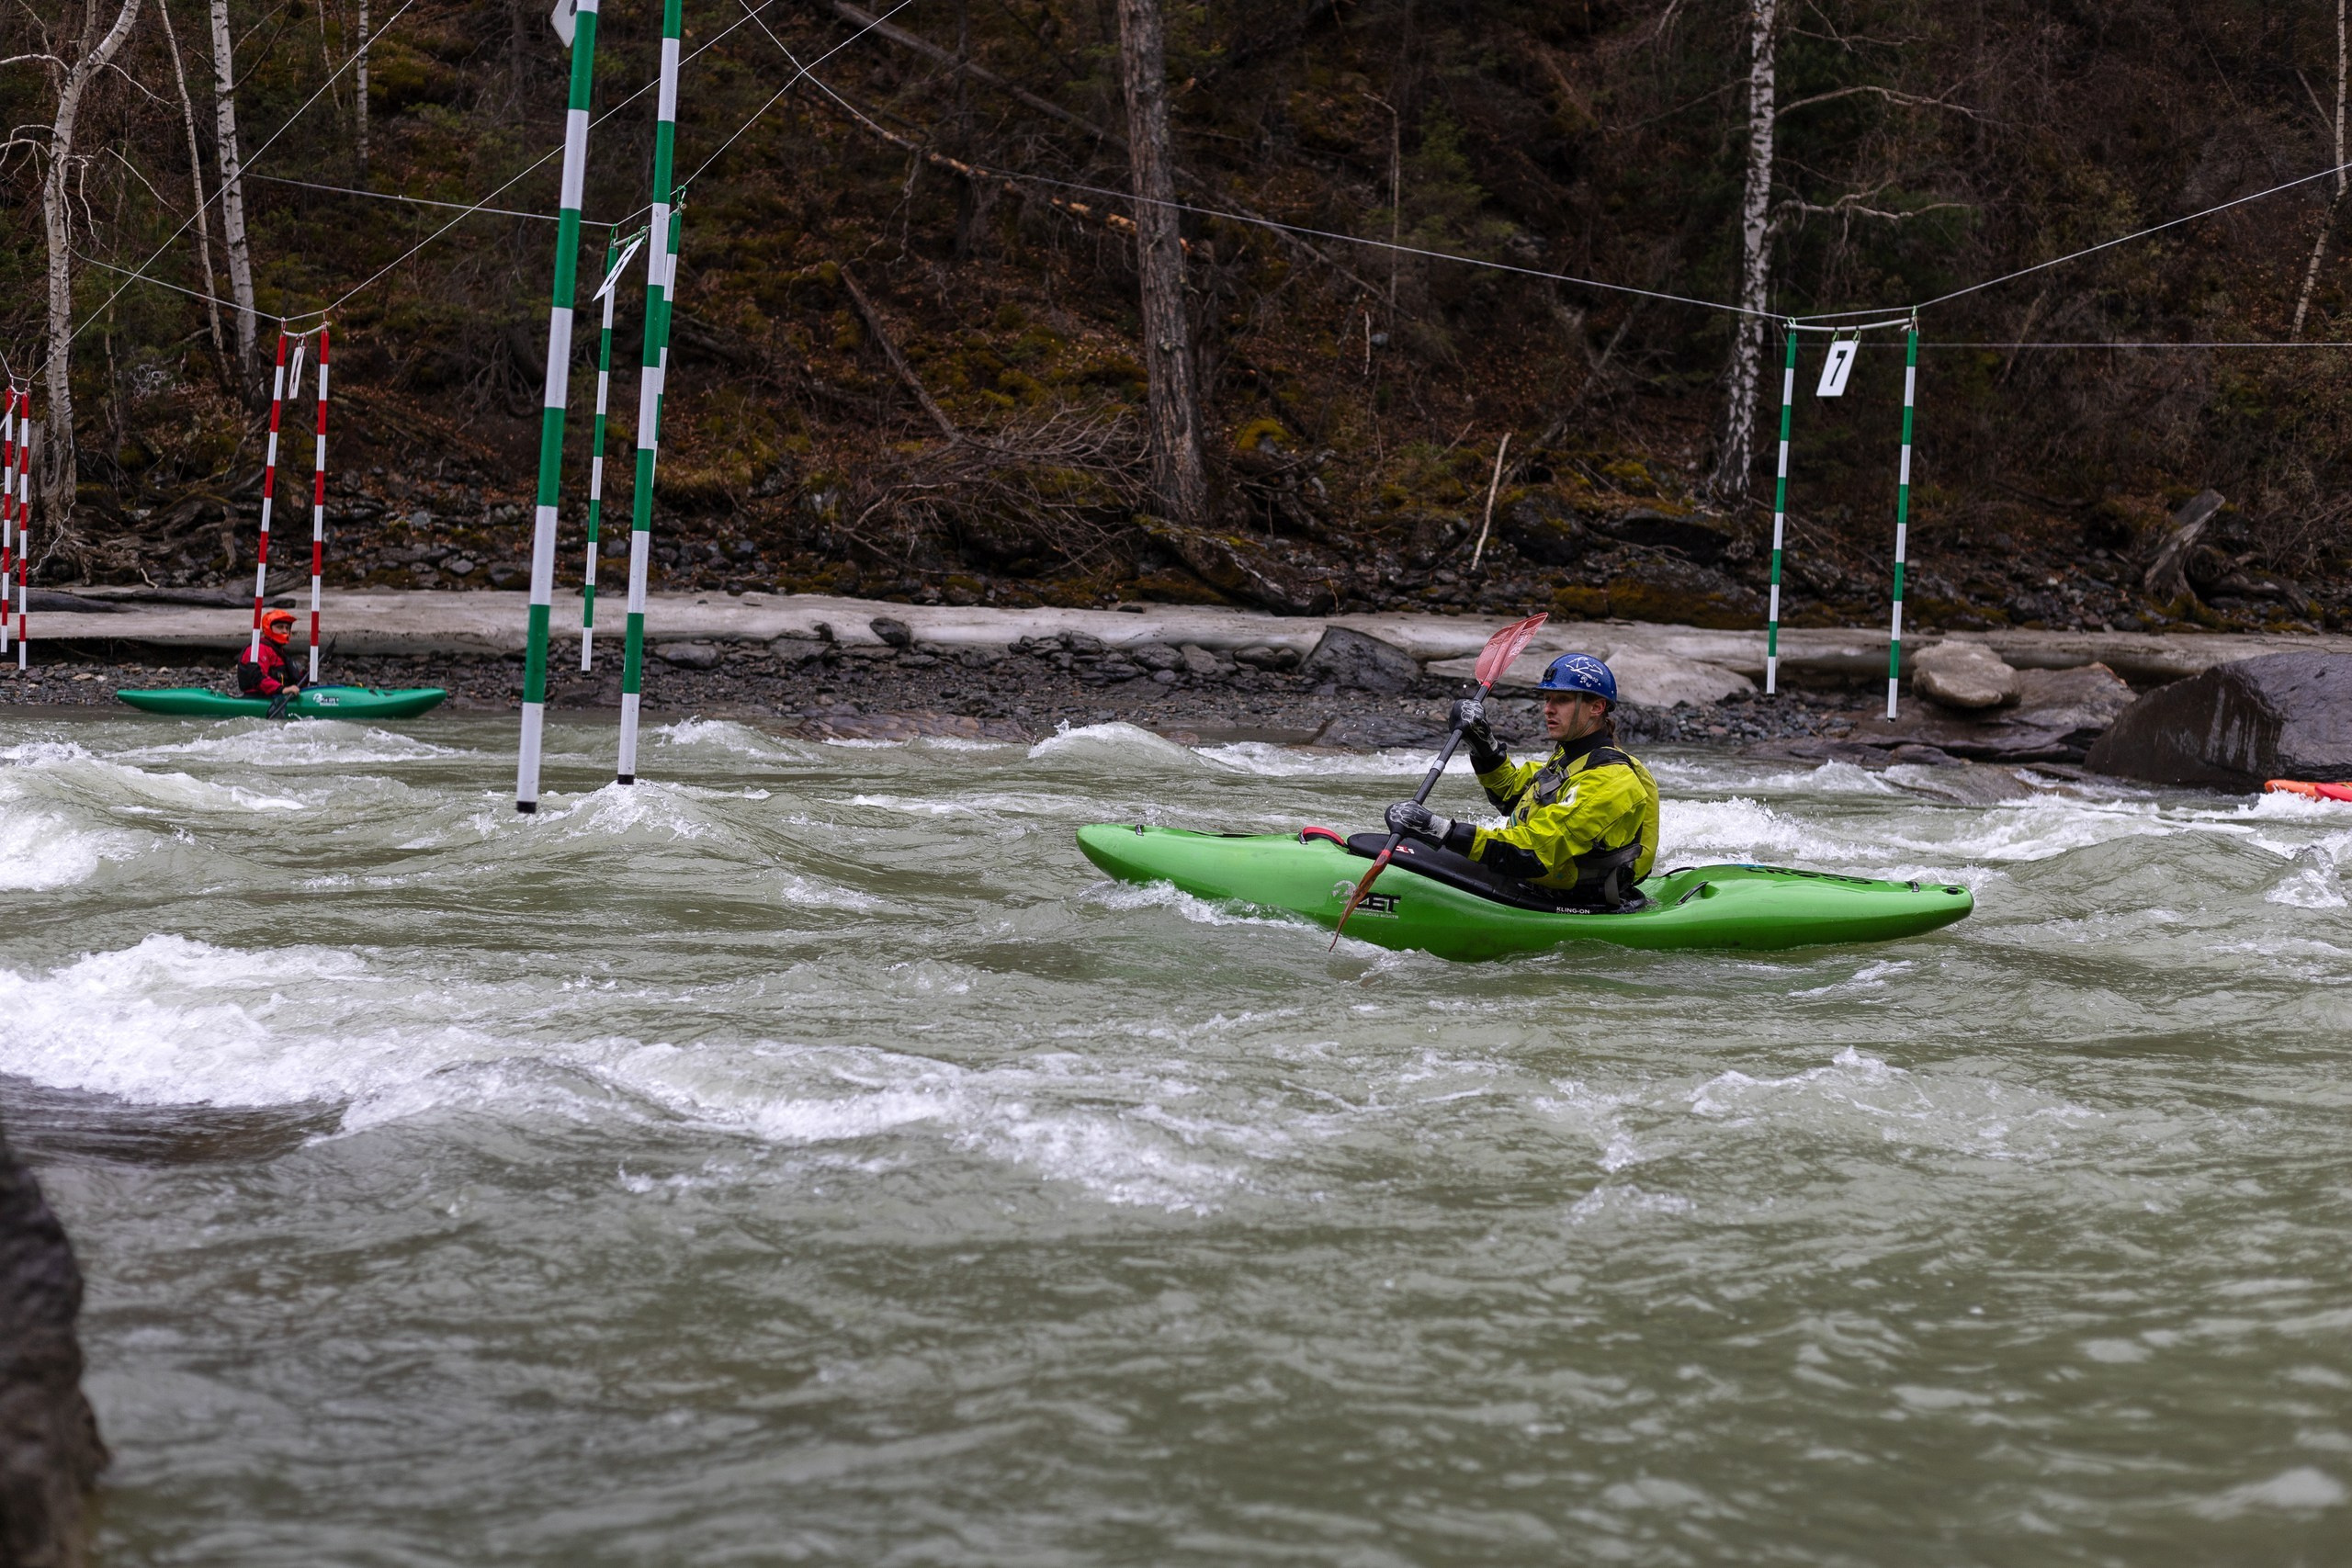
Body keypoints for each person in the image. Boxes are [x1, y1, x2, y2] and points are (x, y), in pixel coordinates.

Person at [1383, 652, 1661, 909]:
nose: (1547, 709)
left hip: (1575, 897)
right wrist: (1482, 743)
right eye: (1547, 699)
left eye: (1561, 700)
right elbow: (1512, 795)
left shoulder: (1611, 781)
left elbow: (1533, 852)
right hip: (1535, 880)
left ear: (1597, 707)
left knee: (1437, 843)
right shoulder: (1571, 758)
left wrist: (1441, 830)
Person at [237, 608, 306, 716]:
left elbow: (293, 680)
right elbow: (258, 678)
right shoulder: (258, 649)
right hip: (257, 699)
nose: (284, 631)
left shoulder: (279, 652)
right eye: (280, 627)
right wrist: (282, 690)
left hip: (277, 697)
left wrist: (307, 674)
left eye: (287, 628)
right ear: (269, 628)